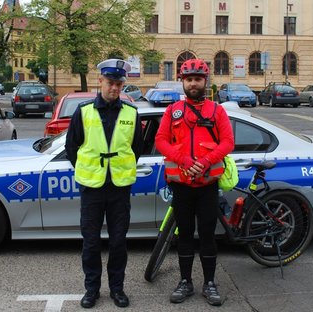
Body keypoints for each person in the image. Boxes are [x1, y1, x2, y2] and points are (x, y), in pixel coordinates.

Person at [155, 59, 234, 306]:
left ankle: (210, 283)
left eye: (197, 79)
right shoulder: (172, 111)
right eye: (188, 79)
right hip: (181, 186)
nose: (193, 83)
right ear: (183, 82)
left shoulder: (217, 111)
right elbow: (161, 141)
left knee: (208, 235)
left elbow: (228, 142)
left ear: (204, 81)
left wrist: (206, 160)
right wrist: (185, 160)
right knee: (185, 235)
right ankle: (185, 282)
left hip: (207, 186)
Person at [65, 58, 143, 309]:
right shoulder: (84, 111)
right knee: (91, 242)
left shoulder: (131, 113)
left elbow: (136, 148)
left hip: (119, 188)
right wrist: (91, 169)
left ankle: (117, 289)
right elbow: (71, 148)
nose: (115, 88)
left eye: (119, 84)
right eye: (111, 83)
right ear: (100, 81)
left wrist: (116, 167)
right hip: (92, 188)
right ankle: (92, 289)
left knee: (119, 241)